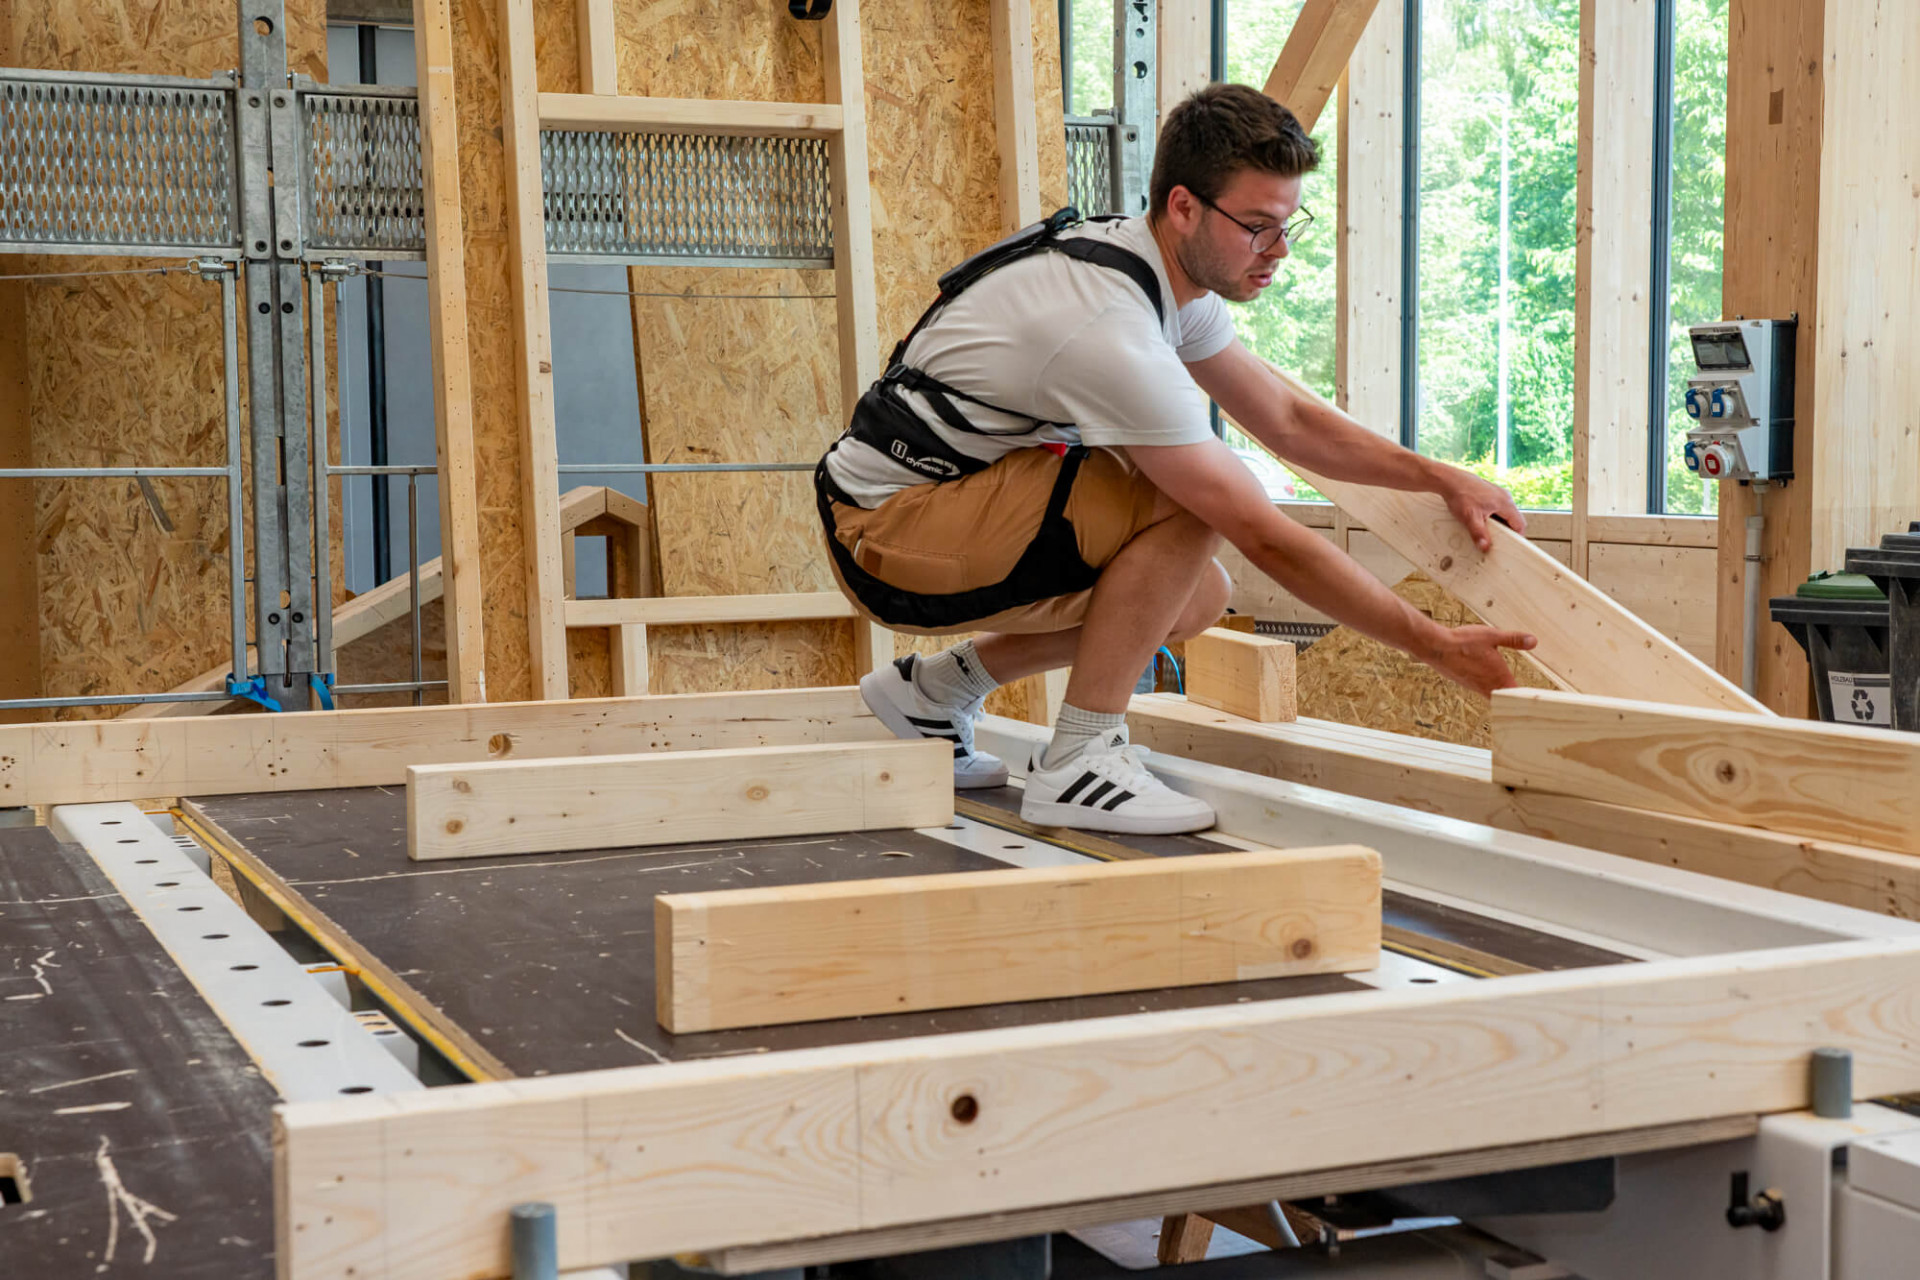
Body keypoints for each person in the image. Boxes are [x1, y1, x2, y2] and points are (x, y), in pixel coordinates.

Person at [814, 83, 1536, 836]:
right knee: (1192, 503)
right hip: (886, 531)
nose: (1279, 251)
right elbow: (1258, 528)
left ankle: (933, 692)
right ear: (1184, 206)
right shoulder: (1107, 325)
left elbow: (1285, 418)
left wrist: (1436, 475)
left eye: (1289, 225)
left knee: (1194, 595)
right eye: (1258, 227)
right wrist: (1434, 645)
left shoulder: (1164, 278)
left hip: (928, 504)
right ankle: (1079, 759)